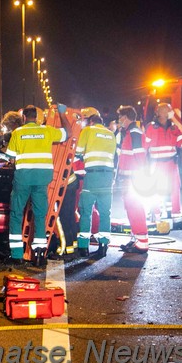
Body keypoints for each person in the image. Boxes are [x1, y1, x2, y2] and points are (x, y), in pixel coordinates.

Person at [5, 104, 70, 264]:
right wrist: (62, 114)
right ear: (37, 117)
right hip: (42, 179)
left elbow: (11, 157)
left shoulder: (18, 132)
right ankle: (40, 254)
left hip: (23, 179)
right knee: (40, 215)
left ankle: (16, 255)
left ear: (24, 118)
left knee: (16, 214)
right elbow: (68, 133)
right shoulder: (46, 130)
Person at [75, 107, 116, 257]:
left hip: (92, 176)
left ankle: (83, 247)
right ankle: (103, 246)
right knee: (105, 213)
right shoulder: (110, 134)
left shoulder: (88, 131)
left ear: (90, 121)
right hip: (107, 177)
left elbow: (78, 150)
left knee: (86, 212)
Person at [144, 103, 182, 230]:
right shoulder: (151, 128)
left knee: (175, 189)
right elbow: (144, 147)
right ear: (160, 113)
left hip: (171, 163)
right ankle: (156, 217)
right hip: (156, 164)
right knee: (155, 191)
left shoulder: (173, 128)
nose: (171, 112)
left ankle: (177, 220)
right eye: (168, 110)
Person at [114, 106, 149, 254]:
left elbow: (140, 156)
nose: (119, 121)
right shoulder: (128, 132)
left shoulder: (134, 132)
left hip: (132, 178)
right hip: (127, 178)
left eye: (120, 117)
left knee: (135, 208)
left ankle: (142, 242)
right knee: (131, 208)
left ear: (126, 117)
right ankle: (136, 239)